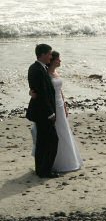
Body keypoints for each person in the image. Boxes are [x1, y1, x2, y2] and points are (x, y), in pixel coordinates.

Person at [31, 51, 84, 172]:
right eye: (58, 59)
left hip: (60, 105)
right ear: (53, 60)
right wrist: (31, 92)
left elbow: (60, 91)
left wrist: (65, 105)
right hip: (51, 106)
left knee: (64, 131)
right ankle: (53, 163)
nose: (60, 61)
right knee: (53, 134)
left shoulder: (56, 72)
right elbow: (39, 89)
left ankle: (67, 161)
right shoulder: (45, 74)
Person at [26, 44, 59, 178]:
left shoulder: (39, 68)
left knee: (42, 142)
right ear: (43, 54)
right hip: (43, 113)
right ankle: (45, 170)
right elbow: (42, 94)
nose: (51, 57)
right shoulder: (37, 70)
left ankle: (41, 170)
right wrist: (50, 113)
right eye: (50, 54)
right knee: (51, 141)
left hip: (42, 112)